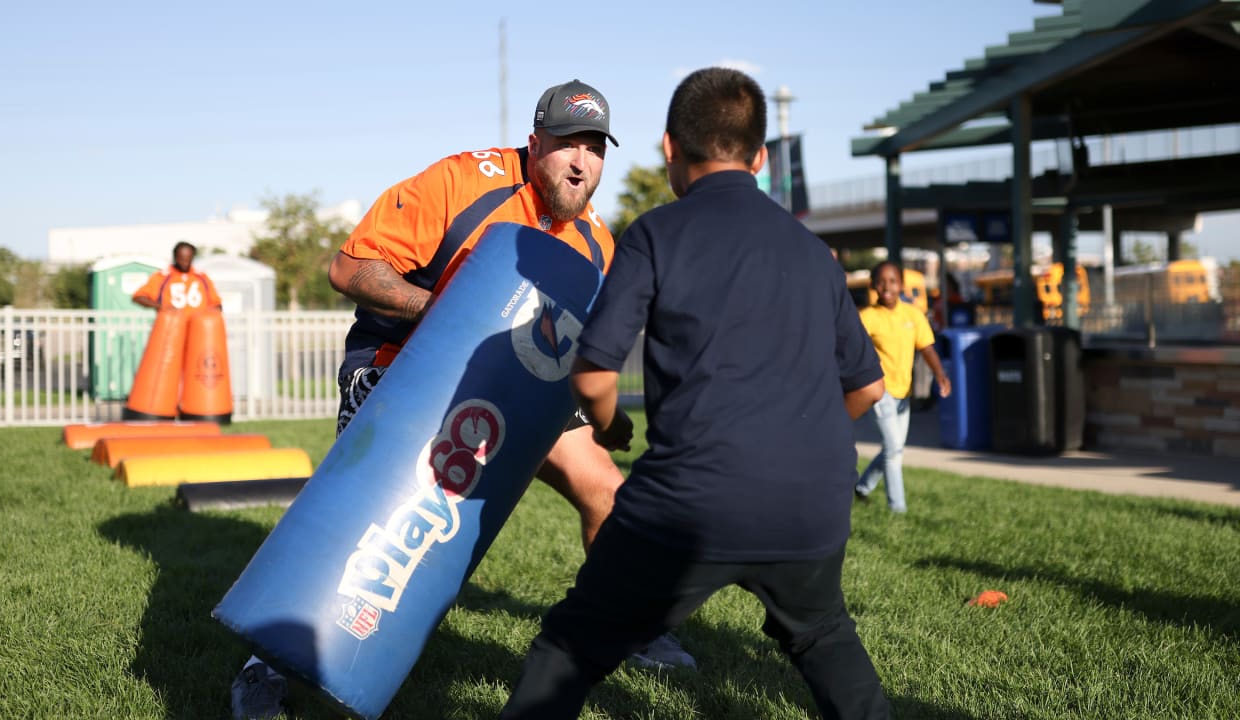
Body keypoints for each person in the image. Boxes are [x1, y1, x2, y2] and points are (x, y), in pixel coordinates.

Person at [229, 79, 695, 720]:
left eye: (594, 148)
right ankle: (263, 670)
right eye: (566, 145)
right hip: (405, 370)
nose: (581, 163)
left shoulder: (597, 245)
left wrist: (594, 415)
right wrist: (446, 315)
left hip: (519, 390)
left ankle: (633, 627)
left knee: (606, 492)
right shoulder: (464, 182)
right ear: (536, 143)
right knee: (360, 521)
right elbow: (350, 268)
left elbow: (572, 354)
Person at [498, 67, 891, 720]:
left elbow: (595, 375)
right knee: (822, 632)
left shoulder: (656, 234)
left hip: (692, 499)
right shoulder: (813, 251)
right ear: (760, 156)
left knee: (571, 646)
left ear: (669, 148)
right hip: (813, 500)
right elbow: (868, 385)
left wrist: (608, 427)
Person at [854, 261, 952, 513]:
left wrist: (940, 375)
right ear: (874, 285)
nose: (887, 287)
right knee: (894, 450)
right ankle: (898, 509)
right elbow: (849, 351)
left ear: (902, 285)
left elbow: (926, 348)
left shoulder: (913, 315)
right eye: (881, 282)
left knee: (893, 448)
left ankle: (862, 487)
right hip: (880, 391)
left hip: (903, 392)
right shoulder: (867, 317)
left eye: (893, 281)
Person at [130, 241, 222, 313]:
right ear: (175, 257)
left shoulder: (202, 277)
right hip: (172, 326)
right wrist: (161, 307)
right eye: (182, 259)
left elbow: (217, 304)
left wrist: (208, 313)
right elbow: (138, 296)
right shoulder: (162, 276)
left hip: (196, 328)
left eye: (188, 259)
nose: (185, 263)